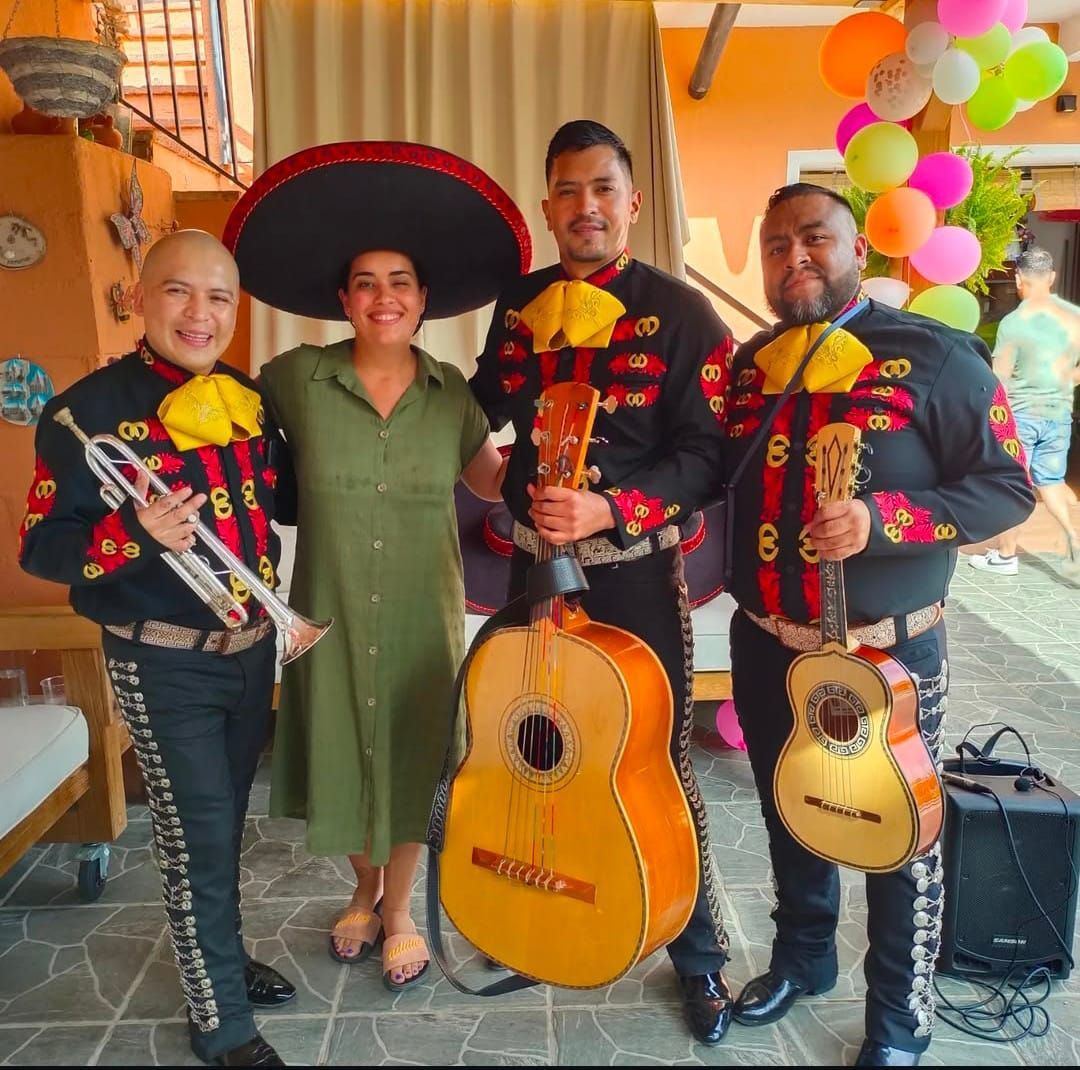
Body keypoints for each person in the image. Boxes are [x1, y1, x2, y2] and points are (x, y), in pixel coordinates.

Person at [719, 184, 1035, 1067]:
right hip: (767, 639)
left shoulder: (937, 356)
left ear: (857, 248)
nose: (794, 258)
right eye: (775, 245)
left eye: (813, 238)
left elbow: (1008, 487)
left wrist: (882, 518)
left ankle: (899, 1016)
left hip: (889, 650)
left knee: (900, 834)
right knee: (791, 807)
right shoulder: (754, 365)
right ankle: (803, 958)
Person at [223, 142, 527, 993]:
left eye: (400, 282)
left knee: (416, 752)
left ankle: (398, 908)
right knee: (336, 745)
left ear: (423, 299)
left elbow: (491, 483)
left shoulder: (452, 393)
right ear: (344, 299)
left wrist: (554, 451)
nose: (383, 295)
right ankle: (364, 884)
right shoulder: (293, 379)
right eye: (365, 282)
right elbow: (231, 452)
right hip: (327, 605)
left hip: (423, 613)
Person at [469, 119, 735, 1046]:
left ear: (632, 202)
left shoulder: (684, 313)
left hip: (634, 574)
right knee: (539, 740)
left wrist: (611, 508)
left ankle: (698, 954)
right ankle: (540, 904)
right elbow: (482, 404)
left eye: (603, 188)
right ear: (547, 208)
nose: (586, 206)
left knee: (654, 759)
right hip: (533, 570)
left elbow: (709, 455)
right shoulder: (519, 304)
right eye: (568, 190)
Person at [19, 230, 299, 1068]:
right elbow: (41, 548)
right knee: (193, 837)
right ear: (141, 299)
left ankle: (223, 964)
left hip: (251, 647)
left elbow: (284, 500)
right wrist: (132, 533)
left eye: (218, 296)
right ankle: (221, 1023)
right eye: (179, 291)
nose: (199, 313)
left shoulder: (250, 399)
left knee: (225, 824)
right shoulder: (83, 413)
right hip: (161, 658)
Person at [969, 247, 1080, 577]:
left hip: (1022, 416)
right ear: (1053, 277)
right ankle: (1073, 537)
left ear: (1018, 279)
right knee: (1052, 481)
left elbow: (1000, 377)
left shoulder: (1014, 323)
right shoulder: (1074, 316)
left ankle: (1006, 557)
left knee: (1012, 485)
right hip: (1058, 413)